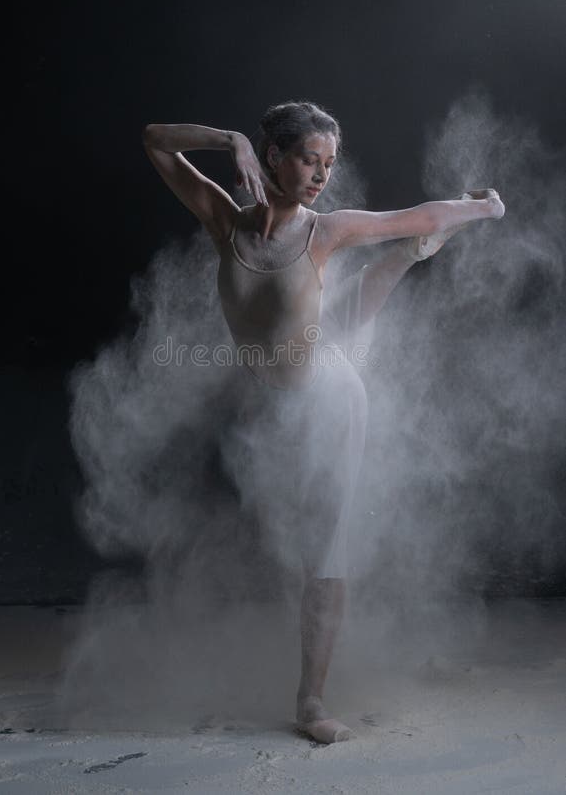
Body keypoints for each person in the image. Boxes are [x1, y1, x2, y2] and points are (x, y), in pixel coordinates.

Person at [142, 101, 505, 743]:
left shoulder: (325, 229)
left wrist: (482, 207)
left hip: (329, 400)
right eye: (310, 158)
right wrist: (228, 140)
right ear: (272, 155)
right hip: (275, 401)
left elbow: (414, 212)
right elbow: (155, 141)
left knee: (324, 551)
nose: (321, 174)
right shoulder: (225, 223)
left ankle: (311, 702)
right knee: (338, 322)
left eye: (329, 163)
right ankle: (412, 258)